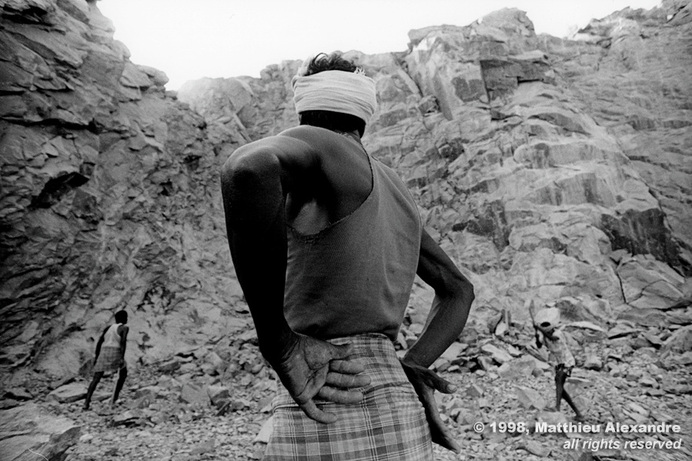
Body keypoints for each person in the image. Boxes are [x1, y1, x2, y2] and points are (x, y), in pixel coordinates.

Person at [221, 52, 474, 459]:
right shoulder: (394, 186)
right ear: (363, 111)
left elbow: (247, 169)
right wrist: (413, 365)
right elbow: (459, 290)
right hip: (395, 397)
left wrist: (279, 343)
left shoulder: (319, 143)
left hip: (328, 389)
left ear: (306, 106)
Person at [533, 306, 584, 421]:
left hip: (567, 361)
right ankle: (578, 413)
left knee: (559, 379)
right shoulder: (545, 337)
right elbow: (539, 346)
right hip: (559, 363)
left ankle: (557, 407)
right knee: (561, 388)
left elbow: (553, 338)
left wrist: (539, 330)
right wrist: (537, 336)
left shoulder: (558, 333)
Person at [83, 310, 129, 411]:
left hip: (104, 351)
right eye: (126, 317)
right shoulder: (124, 328)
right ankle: (114, 398)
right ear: (123, 319)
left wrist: (97, 356)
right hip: (115, 352)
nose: (127, 319)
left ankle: (86, 402)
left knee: (96, 378)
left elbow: (100, 341)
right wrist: (121, 357)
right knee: (123, 373)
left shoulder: (108, 328)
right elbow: (123, 343)